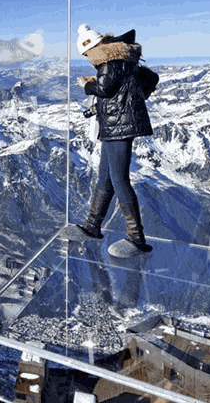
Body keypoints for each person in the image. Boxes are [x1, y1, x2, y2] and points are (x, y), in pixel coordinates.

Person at [71, 23, 159, 258]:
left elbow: (105, 90)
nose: (88, 58)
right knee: (105, 178)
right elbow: (147, 78)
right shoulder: (122, 58)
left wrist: (86, 85)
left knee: (119, 180)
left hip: (119, 126)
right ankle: (92, 226)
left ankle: (137, 239)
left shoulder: (108, 60)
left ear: (93, 47)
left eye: (86, 54)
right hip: (115, 125)